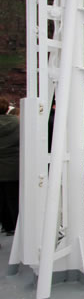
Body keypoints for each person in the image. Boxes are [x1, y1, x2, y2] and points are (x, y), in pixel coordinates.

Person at [0, 97, 19, 236]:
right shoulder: (16, 123)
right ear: (7, 108)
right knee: (13, 200)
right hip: (13, 168)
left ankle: (6, 226)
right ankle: (15, 228)